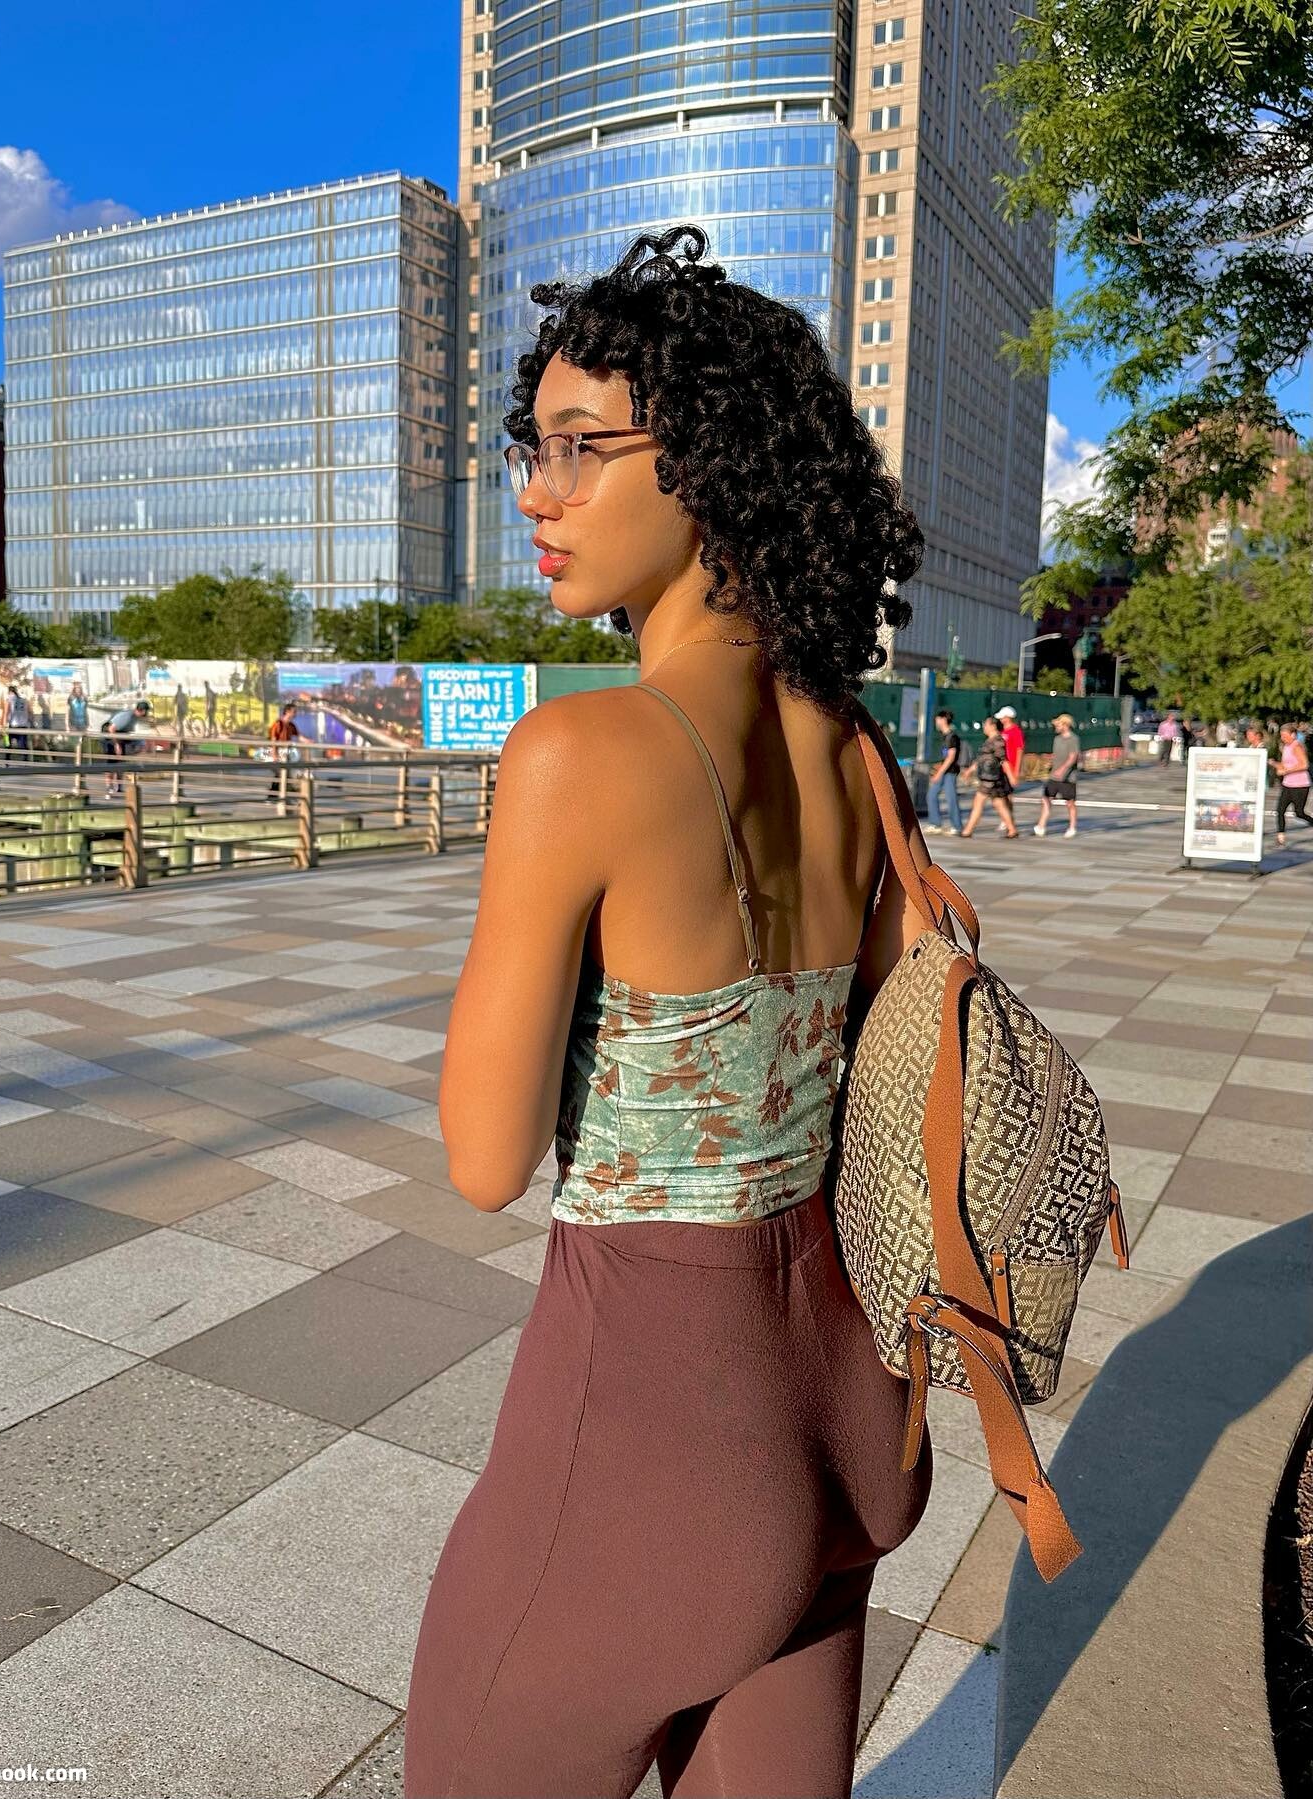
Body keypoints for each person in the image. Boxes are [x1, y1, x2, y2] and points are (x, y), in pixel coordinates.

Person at [403, 223, 933, 1799]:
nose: (537, 493)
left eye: (582, 447)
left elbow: (484, 1157)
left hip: (638, 1427)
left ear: (707, 466)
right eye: (532, 447)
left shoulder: (581, 753)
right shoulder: (857, 749)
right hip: (838, 1414)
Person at [960, 717, 1020, 838]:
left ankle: (967, 830)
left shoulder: (997, 741)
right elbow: (981, 759)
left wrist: (1012, 777)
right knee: (999, 804)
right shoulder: (990, 741)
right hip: (989, 777)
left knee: (979, 802)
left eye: (986, 724)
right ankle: (1012, 830)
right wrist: (969, 771)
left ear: (993, 726)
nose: (984, 727)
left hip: (991, 779)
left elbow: (1004, 760)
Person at [1033, 713, 1081, 838]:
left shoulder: (1073, 739)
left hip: (1068, 777)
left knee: (1070, 803)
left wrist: (1062, 769)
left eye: (1058, 725)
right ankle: (1041, 826)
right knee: (1046, 798)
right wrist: (1049, 759)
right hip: (1054, 776)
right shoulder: (1057, 739)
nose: (1056, 727)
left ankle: (1072, 827)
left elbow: (1073, 757)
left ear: (1065, 725)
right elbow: (1056, 755)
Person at [102, 700, 151, 798]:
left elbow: (126, 732)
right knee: (111, 763)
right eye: (146, 711)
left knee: (121, 763)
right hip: (110, 738)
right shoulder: (127, 716)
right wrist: (116, 745)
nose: (147, 713)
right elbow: (111, 729)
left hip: (120, 737)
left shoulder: (135, 717)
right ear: (142, 710)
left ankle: (119, 787)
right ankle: (109, 788)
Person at [926, 707, 963, 835]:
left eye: (937, 719)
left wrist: (939, 773)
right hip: (943, 771)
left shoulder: (952, 737)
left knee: (951, 798)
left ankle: (957, 826)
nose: (936, 722)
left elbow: (951, 757)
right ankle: (935, 823)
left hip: (950, 772)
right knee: (931, 795)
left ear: (943, 719)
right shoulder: (945, 736)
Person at [1274, 724, 1312, 847]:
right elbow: (1285, 764)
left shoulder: (1297, 746)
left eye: (1285, 736)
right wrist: (1275, 764)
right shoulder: (1285, 747)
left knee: (1299, 813)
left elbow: (1304, 764)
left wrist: (1286, 771)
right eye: (1281, 736)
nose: (1283, 738)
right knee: (1280, 810)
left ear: (1293, 735)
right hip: (1287, 784)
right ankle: (1280, 837)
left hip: (1300, 785)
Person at [266, 702, 302, 798]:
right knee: (281, 774)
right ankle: (274, 795)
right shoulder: (278, 724)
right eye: (294, 712)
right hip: (277, 752)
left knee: (283, 774)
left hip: (285, 753)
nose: (295, 714)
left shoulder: (291, 725)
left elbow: (299, 736)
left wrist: (309, 741)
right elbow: (273, 740)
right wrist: (274, 754)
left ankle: (276, 795)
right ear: (287, 712)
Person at [993, 704, 1025, 786]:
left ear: (1008, 718)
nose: (1000, 719)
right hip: (1000, 767)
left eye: (1003, 717)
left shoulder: (1016, 731)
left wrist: (1017, 770)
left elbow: (1019, 750)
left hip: (1010, 768)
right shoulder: (1001, 732)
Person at [4, 685, 31, 762]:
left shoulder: (9, 699)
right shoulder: (24, 700)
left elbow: (6, 712)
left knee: (7, 742)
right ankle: (25, 759)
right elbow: (29, 712)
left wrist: (4, 724)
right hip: (23, 724)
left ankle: (7, 759)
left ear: (9, 692)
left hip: (12, 724)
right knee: (23, 744)